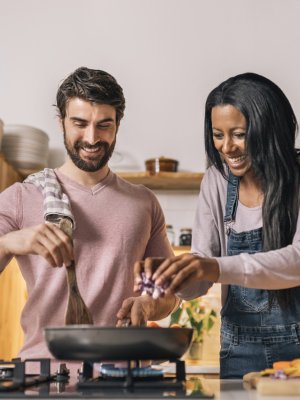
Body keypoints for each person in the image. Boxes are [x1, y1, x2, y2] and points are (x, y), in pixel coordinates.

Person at [0, 67, 179, 372]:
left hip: (125, 379)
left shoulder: (143, 202)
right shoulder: (22, 196)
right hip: (43, 377)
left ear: (118, 125)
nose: (92, 138)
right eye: (80, 124)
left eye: (104, 125)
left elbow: (170, 292)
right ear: (61, 122)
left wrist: (149, 303)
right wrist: (11, 242)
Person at [134, 72, 300, 379]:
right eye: (218, 134)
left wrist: (212, 267)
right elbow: (201, 273)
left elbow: (296, 261)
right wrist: (176, 276)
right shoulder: (217, 181)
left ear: (269, 128)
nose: (227, 147)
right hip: (239, 350)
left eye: (239, 133)